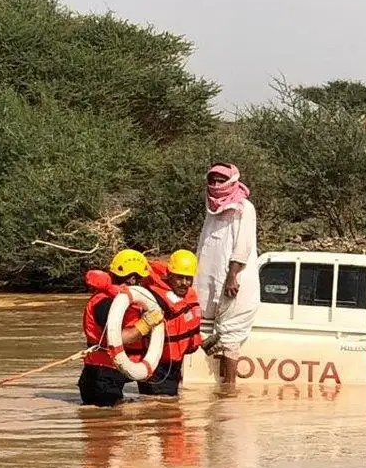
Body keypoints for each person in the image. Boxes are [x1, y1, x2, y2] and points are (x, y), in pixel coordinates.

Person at [195, 162, 261, 396]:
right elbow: (204, 243)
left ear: (231, 181)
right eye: (212, 180)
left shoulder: (244, 208)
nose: (215, 185)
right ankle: (213, 388)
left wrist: (233, 275)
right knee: (205, 328)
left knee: (230, 334)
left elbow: (243, 245)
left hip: (235, 279)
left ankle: (229, 390)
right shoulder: (211, 208)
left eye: (220, 180)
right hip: (209, 278)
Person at [79, 249, 164, 407]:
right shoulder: (103, 304)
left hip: (121, 370)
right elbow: (120, 338)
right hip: (101, 375)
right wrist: (145, 325)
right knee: (106, 426)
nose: (141, 282)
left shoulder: (138, 300)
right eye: (139, 279)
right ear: (132, 279)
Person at [136, 249, 203, 399]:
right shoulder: (154, 298)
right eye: (180, 278)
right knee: (159, 409)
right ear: (169, 275)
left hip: (175, 366)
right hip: (156, 367)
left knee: (172, 413)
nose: (184, 283)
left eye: (188, 278)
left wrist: (202, 341)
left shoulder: (188, 296)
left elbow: (186, 327)